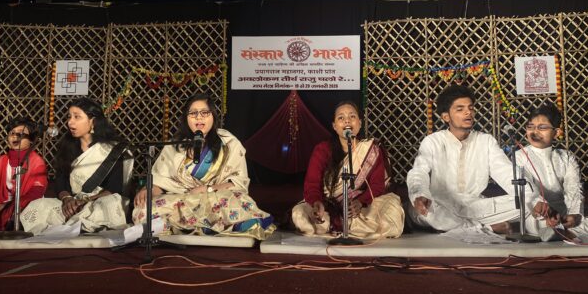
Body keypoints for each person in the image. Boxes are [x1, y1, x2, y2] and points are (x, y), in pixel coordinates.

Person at [132, 93, 275, 239]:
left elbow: (238, 182)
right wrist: (148, 190)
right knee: (144, 210)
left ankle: (192, 227)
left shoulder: (228, 143)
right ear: (186, 118)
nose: (199, 117)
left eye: (204, 113)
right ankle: (209, 226)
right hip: (183, 199)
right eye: (193, 113)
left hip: (215, 198)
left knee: (238, 200)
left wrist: (207, 189)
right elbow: (161, 181)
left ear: (213, 116)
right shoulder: (175, 145)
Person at [406, 84, 537, 233]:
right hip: (440, 204)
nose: (468, 112)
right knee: (428, 212)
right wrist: (420, 195)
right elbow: (418, 172)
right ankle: (487, 228)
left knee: (528, 201)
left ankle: (469, 227)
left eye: (471, 108)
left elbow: (506, 172)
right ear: (446, 116)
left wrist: (533, 199)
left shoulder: (486, 141)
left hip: (474, 206)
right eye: (460, 109)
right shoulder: (433, 141)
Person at [517, 104, 588, 241]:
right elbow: (527, 191)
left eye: (542, 127)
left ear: (556, 132)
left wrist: (574, 214)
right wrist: (545, 213)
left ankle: (563, 233)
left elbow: (574, 187)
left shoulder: (566, 156)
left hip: (563, 210)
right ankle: (586, 233)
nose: (534, 132)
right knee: (528, 223)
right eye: (530, 127)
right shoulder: (519, 156)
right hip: (537, 213)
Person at [291, 101, 404, 238]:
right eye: (341, 118)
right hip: (327, 208)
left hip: (360, 208)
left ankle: (337, 226)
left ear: (360, 123)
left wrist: (360, 202)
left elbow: (377, 185)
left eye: (352, 116)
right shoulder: (322, 150)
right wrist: (317, 203)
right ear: (334, 126)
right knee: (299, 214)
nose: (347, 121)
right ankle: (348, 226)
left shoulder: (372, 150)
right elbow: (312, 184)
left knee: (393, 211)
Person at [20, 98, 132, 235]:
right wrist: (67, 199)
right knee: (38, 206)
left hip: (98, 202)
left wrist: (84, 201)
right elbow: (61, 180)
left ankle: (75, 227)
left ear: (92, 121)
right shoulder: (66, 146)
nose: (70, 122)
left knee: (109, 204)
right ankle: (71, 227)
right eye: (69, 117)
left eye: (77, 117)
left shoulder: (113, 150)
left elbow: (114, 188)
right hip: (71, 203)